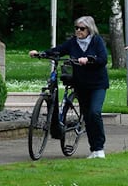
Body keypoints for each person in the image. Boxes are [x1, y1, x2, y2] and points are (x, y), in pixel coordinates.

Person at [30, 15, 109, 159]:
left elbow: (103, 59)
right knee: (87, 116)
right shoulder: (73, 43)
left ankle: (100, 148)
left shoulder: (97, 41)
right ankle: (94, 149)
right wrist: (41, 53)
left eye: (82, 28)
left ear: (89, 29)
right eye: (77, 28)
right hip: (81, 84)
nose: (78, 31)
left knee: (94, 112)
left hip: (97, 84)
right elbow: (58, 50)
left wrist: (89, 59)